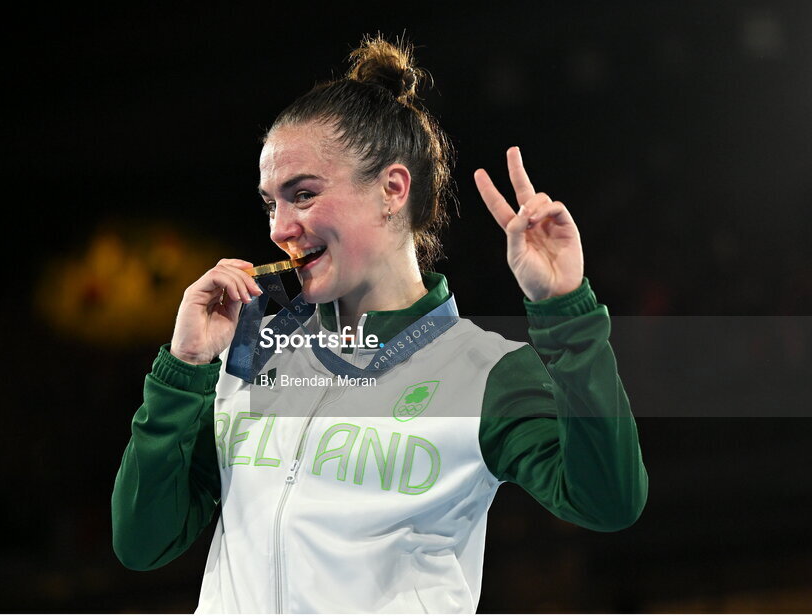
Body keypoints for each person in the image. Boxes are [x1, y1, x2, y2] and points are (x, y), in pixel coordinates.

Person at [111, 36, 647, 613]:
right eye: (271, 203)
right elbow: (144, 544)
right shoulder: (254, 352)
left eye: (304, 195)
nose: (279, 227)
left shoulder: (484, 374)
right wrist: (183, 368)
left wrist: (565, 310)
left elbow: (609, 503)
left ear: (392, 189)